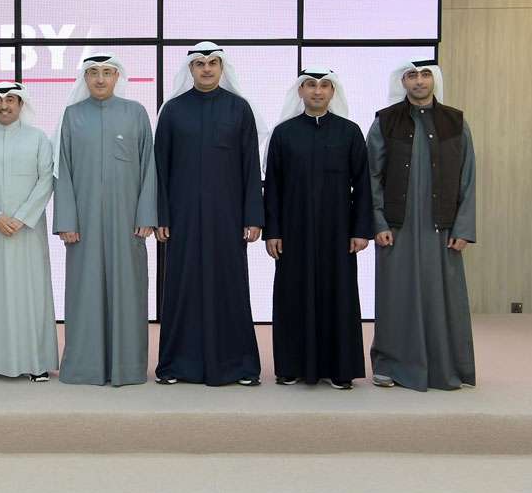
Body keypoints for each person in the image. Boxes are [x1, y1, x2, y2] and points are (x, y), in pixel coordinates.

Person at [153, 42, 264, 386]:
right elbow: (160, 168)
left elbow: (251, 166)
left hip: (227, 217)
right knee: (182, 287)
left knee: (230, 286)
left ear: (221, 68)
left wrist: (253, 216)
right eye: (200, 64)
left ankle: (238, 366)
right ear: (190, 69)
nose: (206, 69)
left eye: (213, 63)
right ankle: (176, 365)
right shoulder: (173, 110)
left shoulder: (239, 109)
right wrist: (162, 215)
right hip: (182, 217)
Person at [367, 60, 477, 391]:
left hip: (442, 227)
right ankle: (390, 365)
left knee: (443, 297)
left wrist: (463, 228)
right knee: (396, 297)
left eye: (425, 74)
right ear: (403, 81)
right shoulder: (385, 121)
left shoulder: (455, 122)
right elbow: (371, 175)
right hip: (396, 227)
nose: (419, 81)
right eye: (412, 75)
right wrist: (378, 221)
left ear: (434, 79)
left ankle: (446, 366)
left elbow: (468, 177)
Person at [264, 67, 372, 389]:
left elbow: (363, 184)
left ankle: (340, 368)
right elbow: (272, 187)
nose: (317, 91)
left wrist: (360, 229)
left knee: (338, 295)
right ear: (300, 91)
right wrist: (273, 231)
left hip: (337, 232)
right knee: (292, 294)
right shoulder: (283, 134)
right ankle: (291, 366)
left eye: (324, 85)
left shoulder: (349, 132)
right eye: (311, 85)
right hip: (293, 232)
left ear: (332, 92)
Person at [53, 53, 157, 386]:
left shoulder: (135, 113)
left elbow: (149, 167)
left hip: (128, 222)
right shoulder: (72, 115)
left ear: (117, 77)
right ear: (85, 78)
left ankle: (127, 368)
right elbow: (62, 170)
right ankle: (85, 367)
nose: (100, 79)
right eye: (94, 73)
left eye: (107, 72)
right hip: (82, 224)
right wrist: (66, 220)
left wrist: (147, 215)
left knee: (129, 292)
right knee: (84, 292)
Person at [0, 82, 58, 382]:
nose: (4, 106)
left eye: (10, 100)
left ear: (21, 104)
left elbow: (46, 180)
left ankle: (36, 363)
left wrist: (22, 217)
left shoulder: (39, 138)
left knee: (31, 294)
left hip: (28, 232)